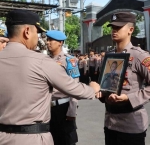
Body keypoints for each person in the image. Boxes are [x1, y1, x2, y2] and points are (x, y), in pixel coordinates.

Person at [0, 9, 101, 145]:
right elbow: (74, 88)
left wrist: (71, 111)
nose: (42, 39)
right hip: (31, 137)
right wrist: (93, 89)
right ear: (27, 31)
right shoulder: (41, 61)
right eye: (38, 33)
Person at [99, 12, 150, 145]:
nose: (114, 31)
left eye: (118, 27)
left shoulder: (139, 56)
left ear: (130, 30)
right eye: (112, 27)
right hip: (110, 122)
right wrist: (101, 93)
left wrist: (130, 98)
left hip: (131, 124)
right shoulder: (109, 56)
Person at [46, 30, 79, 145]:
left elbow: (75, 87)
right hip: (48, 108)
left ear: (60, 42)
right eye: (47, 40)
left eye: (51, 40)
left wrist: (72, 110)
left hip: (63, 108)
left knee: (66, 140)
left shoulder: (68, 60)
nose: (48, 42)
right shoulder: (45, 60)